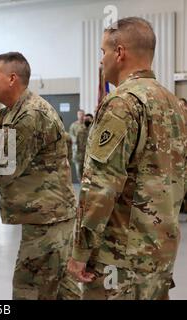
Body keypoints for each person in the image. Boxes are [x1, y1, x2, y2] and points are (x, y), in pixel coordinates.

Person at [68, 17, 187, 300]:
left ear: (119, 53)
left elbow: (100, 186)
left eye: (103, 52)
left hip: (120, 257)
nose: (101, 61)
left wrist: (80, 251)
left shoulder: (123, 103)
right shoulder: (175, 104)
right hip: (160, 251)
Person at [0, 52, 79, 300]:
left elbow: (3, 173)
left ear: (12, 79)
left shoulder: (30, 115)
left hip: (49, 220)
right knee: (63, 292)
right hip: (45, 217)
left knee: (28, 290)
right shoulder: (8, 112)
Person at [74, 113, 93, 179]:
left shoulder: (94, 130)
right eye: (86, 119)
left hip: (91, 156)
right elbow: (75, 143)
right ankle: (81, 186)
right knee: (80, 172)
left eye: (89, 119)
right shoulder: (80, 130)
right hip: (81, 155)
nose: (87, 120)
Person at [69, 109, 86, 181]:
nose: (81, 116)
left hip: (86, 152)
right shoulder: (73, 125)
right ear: (77, 115)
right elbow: (71, 136)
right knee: (78, 170)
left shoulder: (88, 124)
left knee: (86, 171)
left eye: (82, 114)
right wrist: (74, 139)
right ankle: (81, 184)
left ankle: (86, 187)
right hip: (77, 152)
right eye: (79, 114)